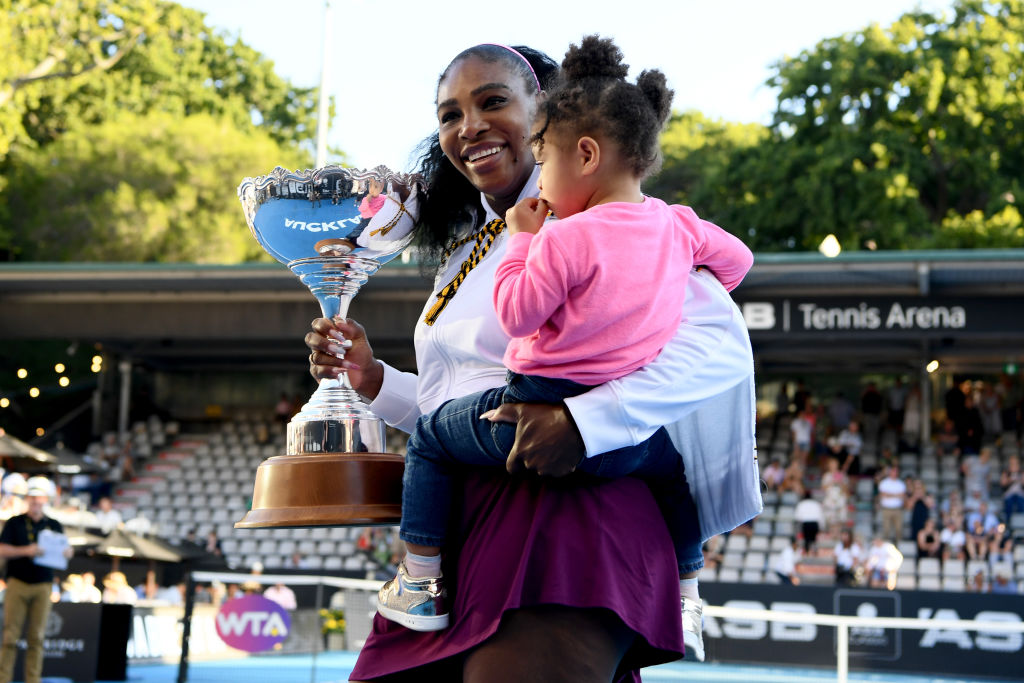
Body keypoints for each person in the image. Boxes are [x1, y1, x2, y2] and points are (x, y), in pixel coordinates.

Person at [305, 41, 760, 680]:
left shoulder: (608, 222)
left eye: (493, 102)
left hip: (570, 518)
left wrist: (584, 423)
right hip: (471, 516)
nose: (469, 127)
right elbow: (460, 400)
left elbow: (720, 348)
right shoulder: (472, 243)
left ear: (548, 115)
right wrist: (373, 378)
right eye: (449, 114)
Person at [0, 476, 71, 683]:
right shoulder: (15, 522)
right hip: (18, 583)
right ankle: (3, 679)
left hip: (43, 584)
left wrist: (68, 552)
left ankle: (33, 680)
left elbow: (64, 551)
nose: (36, 502)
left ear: (45, 500)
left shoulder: (55, 525)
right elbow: (2, 549)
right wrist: (26, 550)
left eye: (40, 498)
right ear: (28, 499)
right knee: (10, 636)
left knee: (37, 637)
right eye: (33, 498)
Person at [793, 490, 824, 554]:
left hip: (806, 523)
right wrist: (821, 527)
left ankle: (807, 552)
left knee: (807, 540)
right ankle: (813, 552)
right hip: (814, 524)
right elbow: (821, 517)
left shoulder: (801, 504)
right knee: (813, 539)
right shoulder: (816, 504)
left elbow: (797, 517)